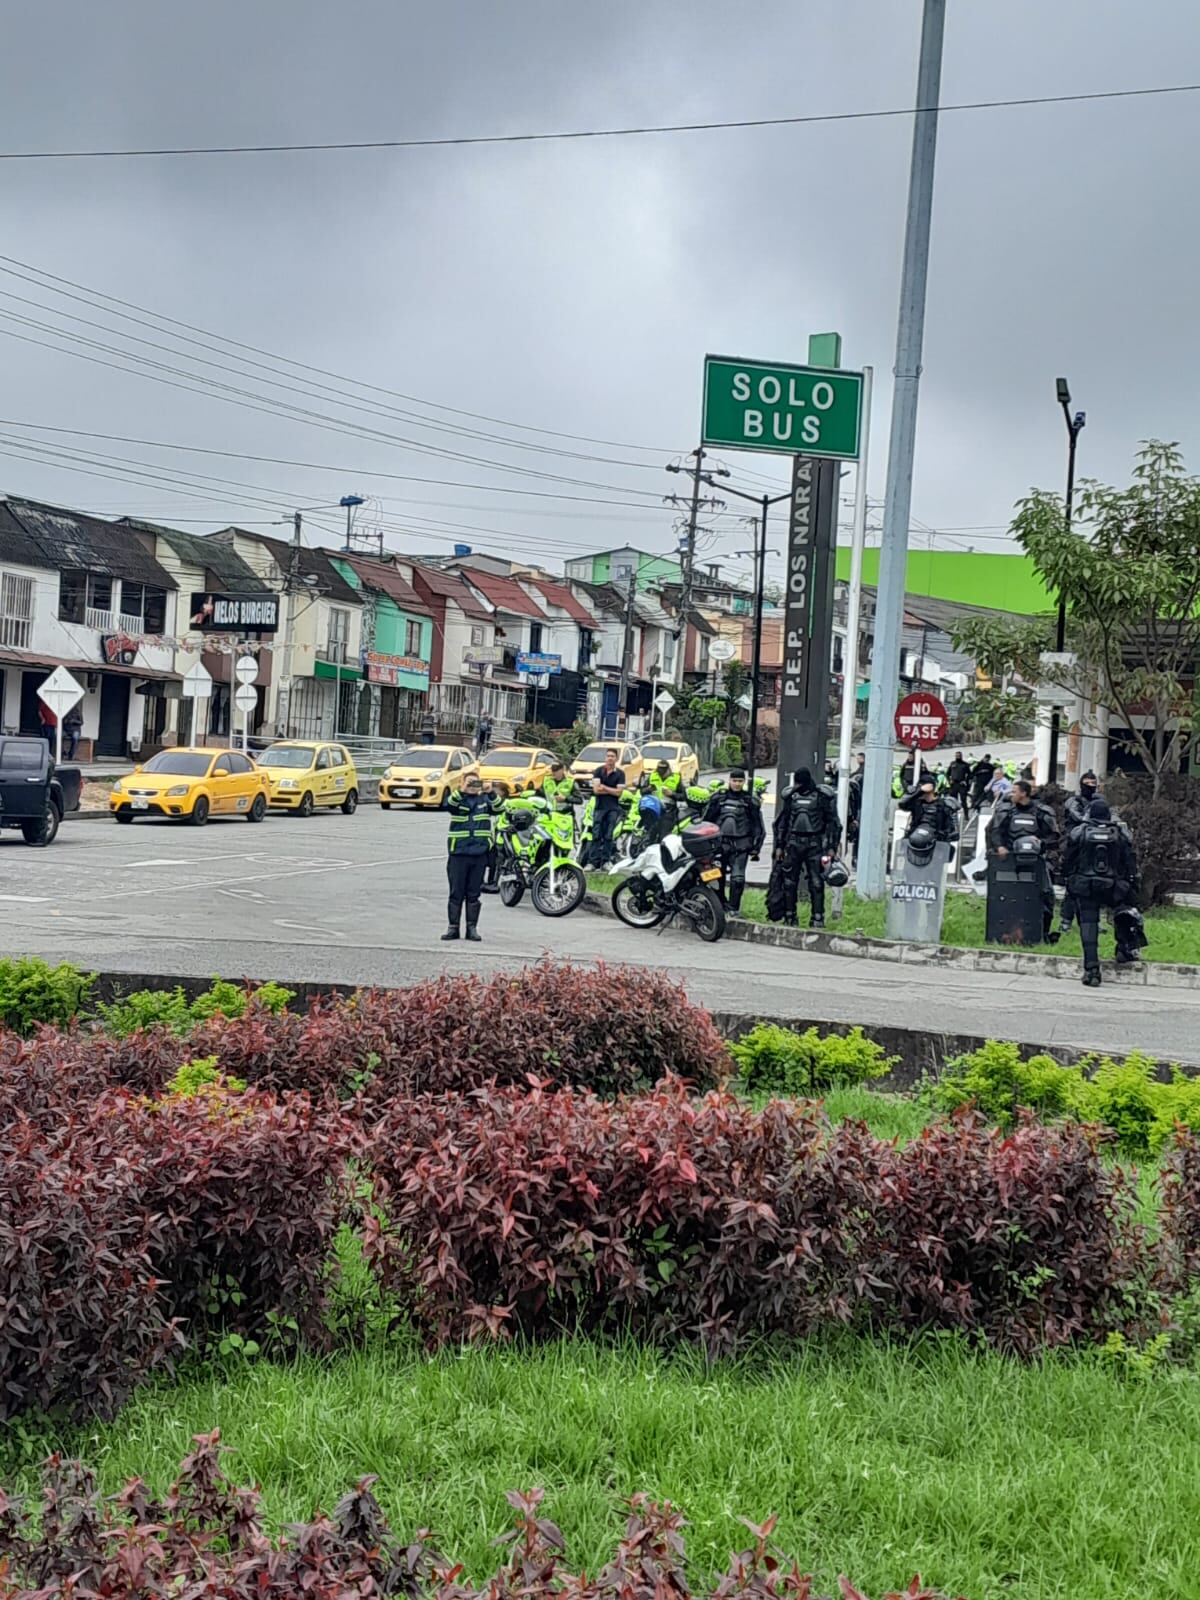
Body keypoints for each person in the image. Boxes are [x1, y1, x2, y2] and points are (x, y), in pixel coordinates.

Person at [1060, 797, 1141, 987]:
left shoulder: (1080, 832)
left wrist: (1068, 878)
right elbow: (1129, 861)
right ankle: (1124, 949)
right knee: (1124, 914)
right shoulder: (1120, 833)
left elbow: (1068, 859)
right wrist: (1130, 882)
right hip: (1113, 885)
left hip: (1086, 885)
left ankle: (1092, 970)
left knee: (1088, 924)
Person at [987, 778, 1060, 939]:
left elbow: (1054, 837)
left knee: (1046, 895)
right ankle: (1004, 932)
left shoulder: (1041, 812)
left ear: (1024, 793)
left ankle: (1042, 933)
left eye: (1014, 791)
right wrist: (1000, 847)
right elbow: (995, 831)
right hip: (1010, 862)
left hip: (1036, 862)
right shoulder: (1006, 811)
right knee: (1006, 897)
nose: (1010, 794)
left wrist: (1040, 843)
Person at [773, 766, 840, 929]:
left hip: (815, 844)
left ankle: (817, 917)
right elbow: (782, 822)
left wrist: (832, 847)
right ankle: (790, 916)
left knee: (817, 883)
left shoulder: (822, 797)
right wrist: (779, 846)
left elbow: (833, 823)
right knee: (789, 882)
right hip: (793, 843)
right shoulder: (791, 796)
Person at [442, 773, 501, 942]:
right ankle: (453, 928)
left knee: (474, 894)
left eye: (476, 782)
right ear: (462, 783)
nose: (474, 786)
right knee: (456, 893)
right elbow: (448, 805)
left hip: (479, 854)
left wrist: (491, 792)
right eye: (470, 782)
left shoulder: (485, 800)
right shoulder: (458, 799)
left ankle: (472, 928)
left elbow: (499, 808)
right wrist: (462, 790)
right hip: (459, 854)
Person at [704, 768, 765, 914]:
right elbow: (707, 821)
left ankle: (733, 908)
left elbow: (758, 826)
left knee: (738, 879)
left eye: (740, 781)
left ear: (744, 782)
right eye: (734, 780)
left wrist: (756, 847)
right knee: (713, 877)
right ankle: (717, 906)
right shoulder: (718, 799)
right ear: (729, 780)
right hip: (719, 845)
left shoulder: (750, 801)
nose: (737, 784)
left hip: (741, 845)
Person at [1055, 770, 1102, 938]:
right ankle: (1066, 921)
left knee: (1096, 885)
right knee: (1073, 885)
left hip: (1094, 847)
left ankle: (1094, 921)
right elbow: (1081, 818)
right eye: (1087, 783)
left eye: (1093, 783)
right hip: (1075, 847)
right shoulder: (1073, 801)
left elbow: (1107, 818)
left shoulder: (1099, 801)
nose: (1090, 786)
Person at [587, 747, 626, 867]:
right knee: (596, 835)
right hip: (599, 807)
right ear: (605, 757)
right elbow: (596, 790)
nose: (610, 758)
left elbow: (619, 793)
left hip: (613, 808)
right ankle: (592, 862)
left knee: (609, 836)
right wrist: (611, 790)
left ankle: (606, 861)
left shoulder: (620, 774)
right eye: (608, 756)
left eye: (612, 756)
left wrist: (604, 787)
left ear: (616, 759)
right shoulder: (598, 771)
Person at [898, 774, 959, 847]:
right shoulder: (916, 803)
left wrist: (947, 835)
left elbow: (953, 830)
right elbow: (902, 804)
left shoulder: (945, 805)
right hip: (914, 842)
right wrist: (919, 791)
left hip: (937, 844)